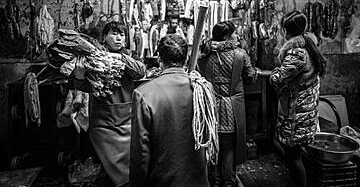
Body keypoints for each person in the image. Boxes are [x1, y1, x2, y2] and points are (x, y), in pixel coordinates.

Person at [129, 34, 211, 187]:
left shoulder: (144, 94)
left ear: (159, 58)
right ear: (186, 59)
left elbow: (141, 152)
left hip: (162, 180)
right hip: (198, 180)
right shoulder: (203, 88)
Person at [73, 21, 146, 187]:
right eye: (114, 33)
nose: (118, 38)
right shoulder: (94, 57)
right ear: (104, 37)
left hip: (127, 121)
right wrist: (79, 76)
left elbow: (140, 71)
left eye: (121, 34)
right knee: (107, 167)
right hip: (102, 122)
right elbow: (83, 86)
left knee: (128, 167)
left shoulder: (128, 56)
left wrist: (118, 57)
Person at [198, 21, 258, 187]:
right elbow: (251, 79)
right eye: (234, 33)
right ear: (226, 36)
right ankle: (229, 181)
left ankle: (215, 181)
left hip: (209, 107)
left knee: (214, 146)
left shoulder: (204, 53)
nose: (237, 35)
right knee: (229, 146)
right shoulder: (239, 54)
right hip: (231, 107)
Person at [270, 11, 327, 187]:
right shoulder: (309, 46)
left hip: (296, 114)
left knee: (293, 157)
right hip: (305, 111)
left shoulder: (296, 53)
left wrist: (273, 73)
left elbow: (277, 78)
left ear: (286, 30)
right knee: (294, 155)